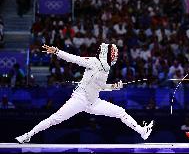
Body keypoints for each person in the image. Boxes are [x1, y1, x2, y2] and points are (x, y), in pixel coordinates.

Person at [15, 43, 154, 143]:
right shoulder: (93, 62)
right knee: (55, 119)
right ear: (106, 54)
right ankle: (28, 134)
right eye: (113, 54)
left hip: (94, 102)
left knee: (120, 111)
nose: (114, 57)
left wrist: (114, 86)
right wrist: (57, 51)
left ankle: (141, 131)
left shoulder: (106, 70)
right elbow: (74, 59)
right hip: (79, 99)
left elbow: (100, 87)